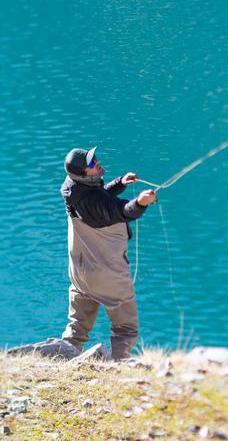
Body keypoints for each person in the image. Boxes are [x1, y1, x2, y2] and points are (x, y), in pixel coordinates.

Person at [59, 146, 157, 360]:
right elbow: (118, 211)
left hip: (80, 274)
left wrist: (119, 183)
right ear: (84, 173)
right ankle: (120, 367)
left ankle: (61, 359)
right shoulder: (94, 202)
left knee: (77, 328)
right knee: (126, 329)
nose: (98, 163)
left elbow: (98, 199)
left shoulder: (72, 188)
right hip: (108, 276)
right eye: (92, 164)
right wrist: (141, 202)